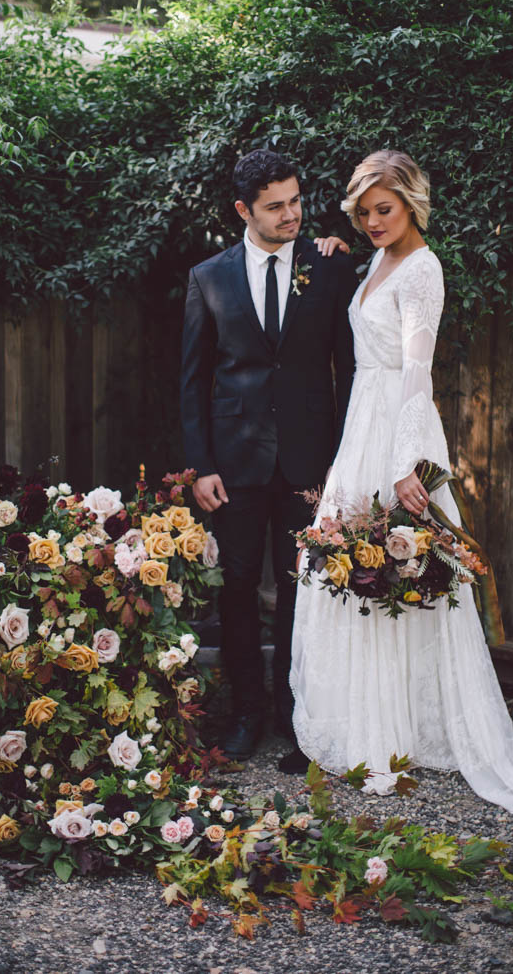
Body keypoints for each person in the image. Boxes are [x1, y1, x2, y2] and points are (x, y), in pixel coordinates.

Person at [290, 150, 513, 814]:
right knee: (347, 566)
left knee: (402, 571)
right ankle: (368, 724)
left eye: (383, 209)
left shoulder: (423, 270)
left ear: (413, 201)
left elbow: (418, 369)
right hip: (361, 425)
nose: (372, 221)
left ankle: (402, 731)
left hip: (399, 430)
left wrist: (407, 462)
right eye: (362, 213)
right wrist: (328, 244)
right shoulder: (373, 262)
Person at [180, 149, 357, 769]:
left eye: (297, 201)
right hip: (232, 466)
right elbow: (194, 380)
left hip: (309, 462)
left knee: (299, 589)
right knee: (233, 589)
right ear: (243, 210)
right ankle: (246, 714)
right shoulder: (209, 277)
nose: (291, 215)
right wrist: (201, 464)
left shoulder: (329, 267)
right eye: (276, 206)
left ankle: (291, 713)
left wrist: (345, 460)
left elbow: (351, 368)